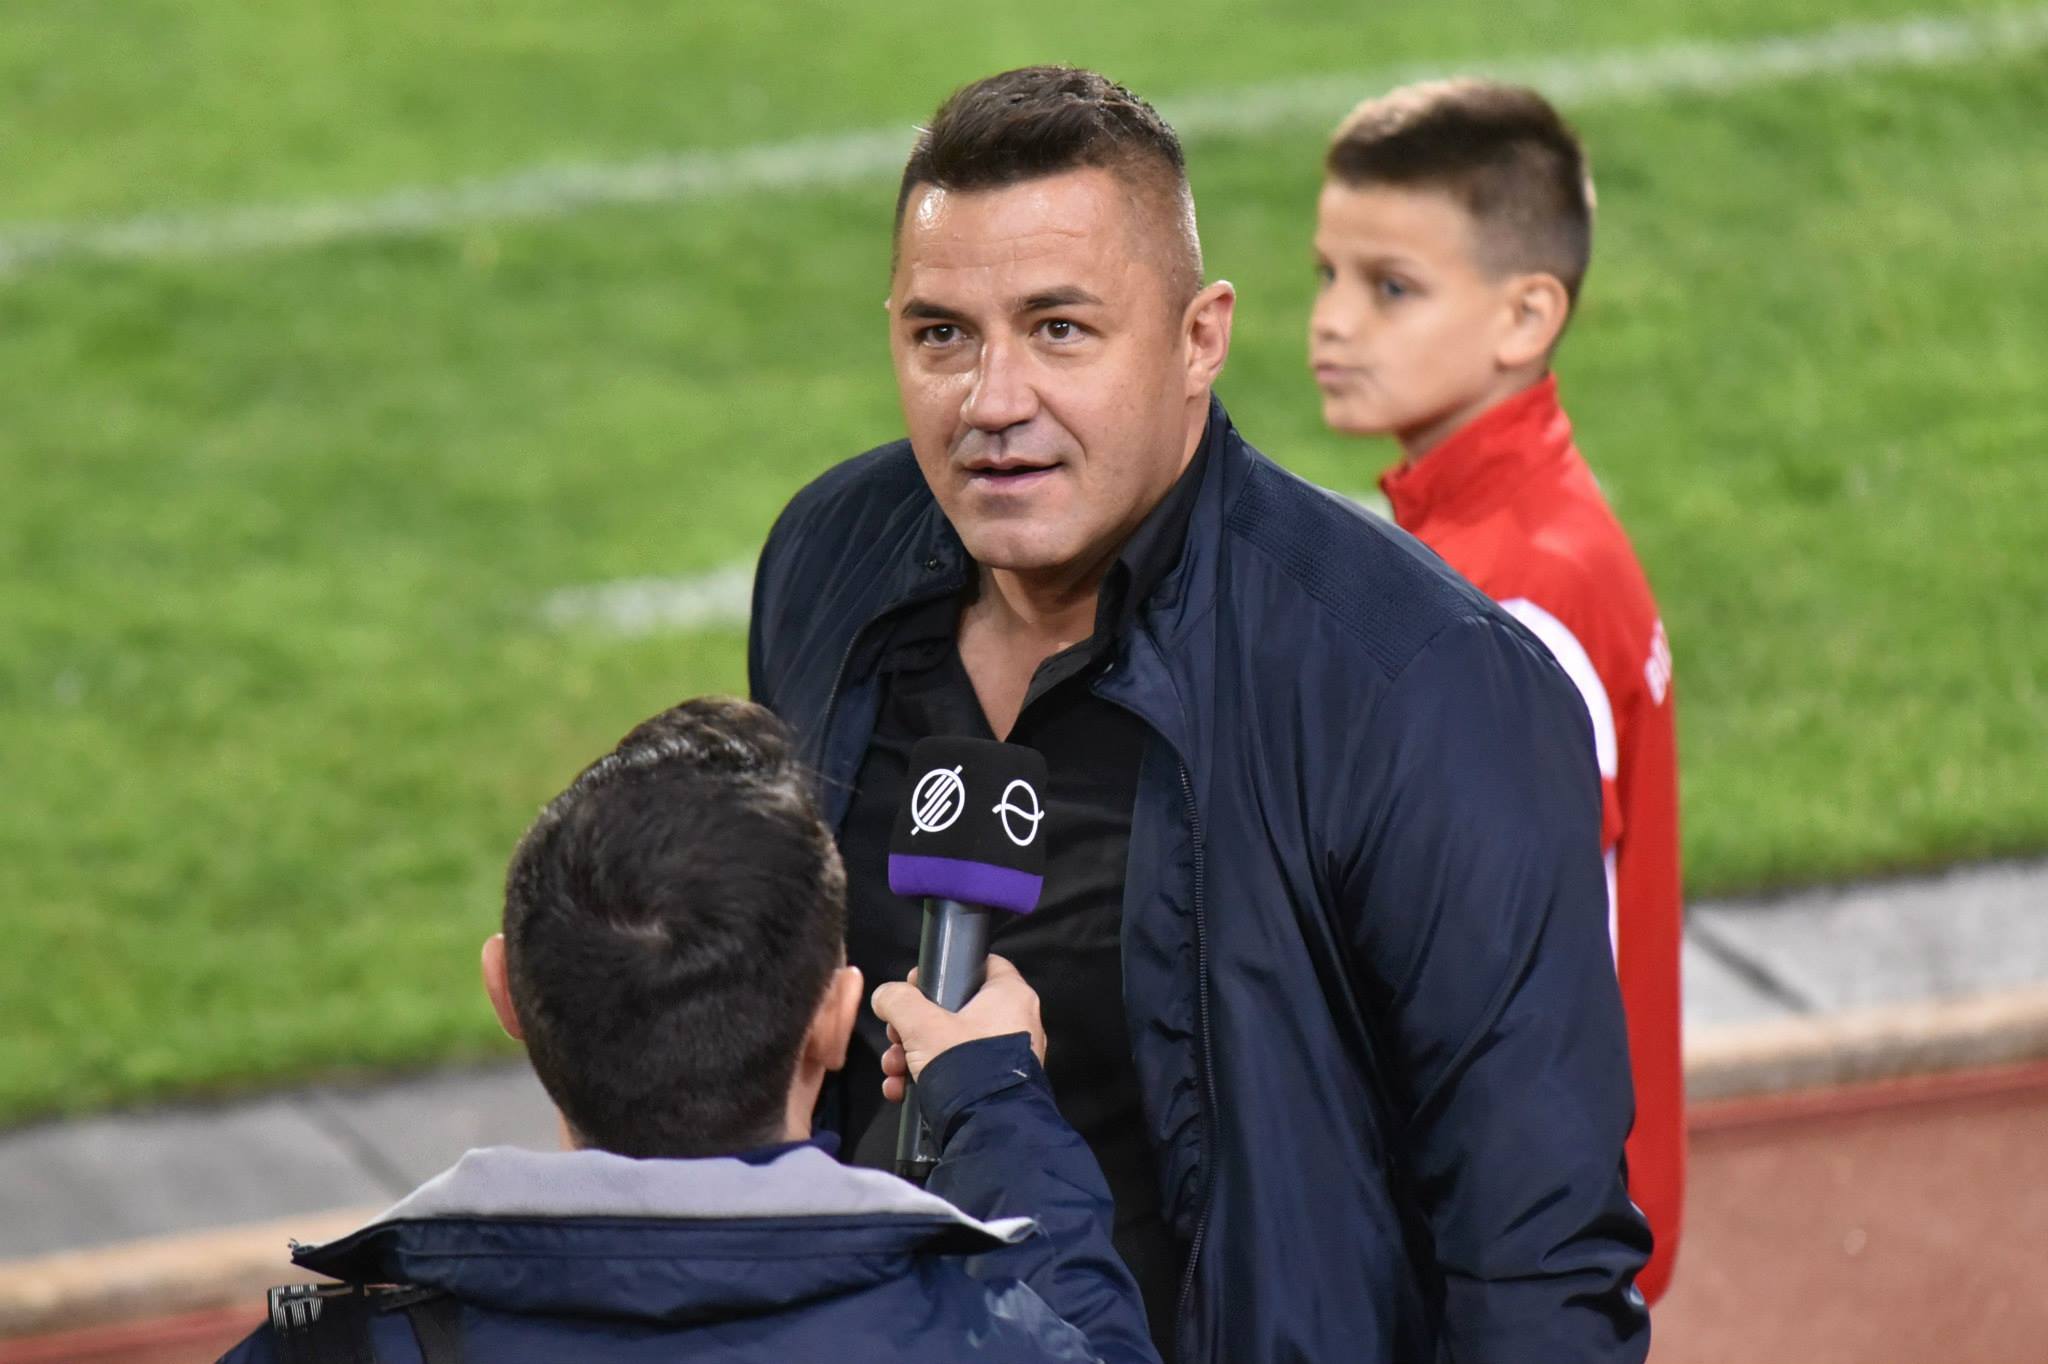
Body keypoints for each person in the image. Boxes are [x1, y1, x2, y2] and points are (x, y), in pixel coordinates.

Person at [749, 65, 1650, 1364]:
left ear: (1199, 337)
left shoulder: (1420, 684)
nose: (992, 400)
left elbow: (1535, 1257)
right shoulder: (827, 560)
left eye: (1059, 329)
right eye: (941, 334)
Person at [220, 697, 1159, 1364]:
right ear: (835, 1020)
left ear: (505, 991)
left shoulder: (322, 1352)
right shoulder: (985, 1340)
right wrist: (997, 1106)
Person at [1308, 78, 1685, 1302]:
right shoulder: (1518, 531)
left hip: (1502, 1249)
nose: (1329, 321)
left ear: (1525, 315)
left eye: (1389, 287)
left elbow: (1495, 986)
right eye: (1326, 273)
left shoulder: (1511, 599)